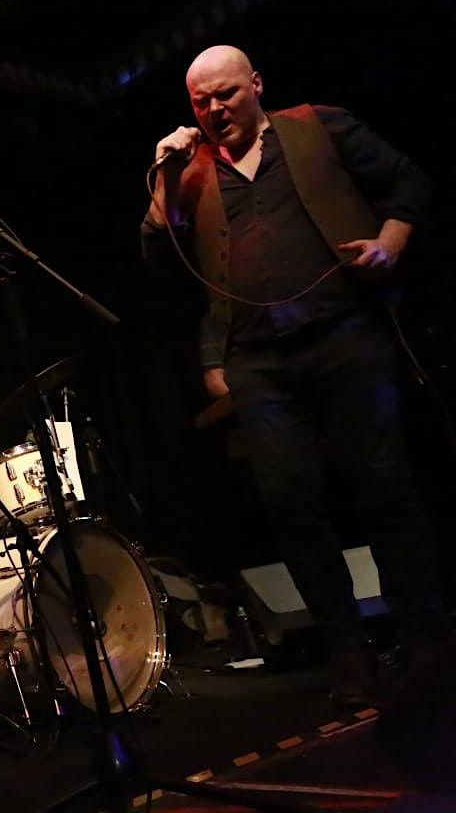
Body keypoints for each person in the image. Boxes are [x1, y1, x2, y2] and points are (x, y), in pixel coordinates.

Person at [141, 44, 448, 706]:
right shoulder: (189, 171)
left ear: (255, 84)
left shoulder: (318, 126)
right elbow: (162, 263)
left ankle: (424, 640)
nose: (216, 109)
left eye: (226, 94)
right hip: (259, 363)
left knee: (383, 487)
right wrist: (163, 175)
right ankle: (350, 656)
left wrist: (389, 245)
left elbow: (409, 182)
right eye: (202, 101)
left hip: (345, 334)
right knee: (293, 508)